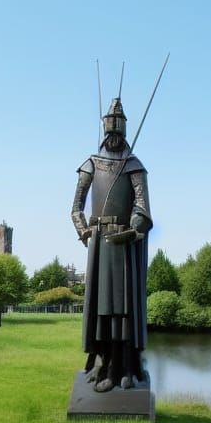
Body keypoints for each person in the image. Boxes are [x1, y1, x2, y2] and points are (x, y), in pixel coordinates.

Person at [71, 97, 152, 392]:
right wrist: (84, 233)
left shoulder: (135, 166)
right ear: (105, 131)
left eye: (118, 131)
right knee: (101, 308)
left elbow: (143, 207)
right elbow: (76, 207)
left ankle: (124, 366)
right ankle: (104, 364)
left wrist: (132, 230)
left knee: (123, 308)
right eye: (110, 131)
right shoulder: (91, 164)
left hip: (124, 245)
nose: (114, 136)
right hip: (100, 247)